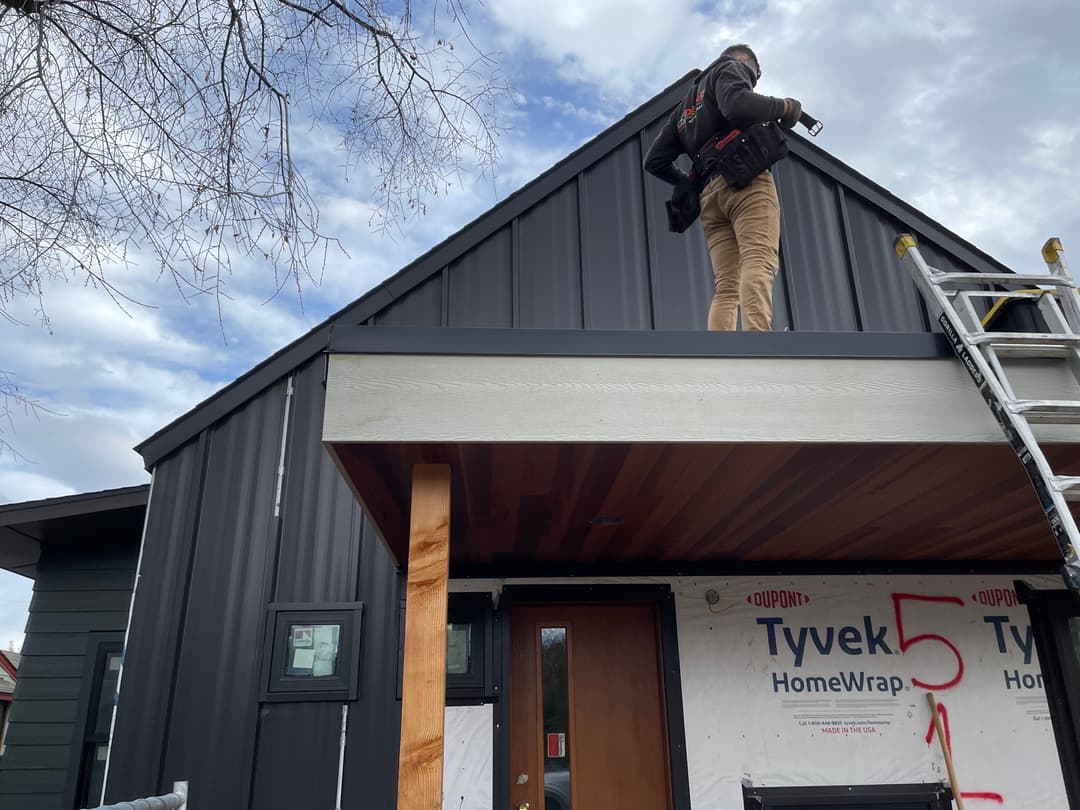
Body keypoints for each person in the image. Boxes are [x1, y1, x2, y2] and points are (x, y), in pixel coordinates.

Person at [644, 44, 801, 331]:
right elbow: (739, 104)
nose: (752, 81)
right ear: (745, 61)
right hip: (746, 182)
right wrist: (786, 107)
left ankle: (721, 354)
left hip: (709, 198)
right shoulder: (729, 67)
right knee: (758, 258)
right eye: (754, 75)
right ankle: (758, 344)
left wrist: (687, 182)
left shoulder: (683, 111)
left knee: (726, 285)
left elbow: (654, 161)